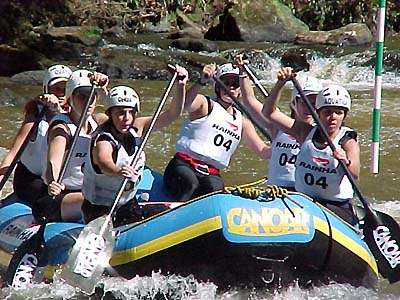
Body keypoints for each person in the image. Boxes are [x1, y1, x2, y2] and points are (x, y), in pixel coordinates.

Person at [81, 65, 188, 225]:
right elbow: (104, 162)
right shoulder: (103, 139)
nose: (127, 118)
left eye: (131, 112)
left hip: (127, 205)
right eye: (120, 113)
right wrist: (118, 171)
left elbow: (173, 114)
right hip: (100, 211)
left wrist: (181, 85)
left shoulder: (137, 128)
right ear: (110, 114)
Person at [262, 67, 359, 225]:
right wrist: (280, 83)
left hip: (336, 207)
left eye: (338, 113)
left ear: (344, 115)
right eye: (327, 112)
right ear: (318, 112)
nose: (332, 118)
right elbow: (269, 113)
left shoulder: (348, 141)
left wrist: (345, 162)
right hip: (304, 203)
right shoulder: (303, 131)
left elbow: (355, 173)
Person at [163, 63, 271, 201]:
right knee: (191, 185)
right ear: (217, 86)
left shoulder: (243, 122)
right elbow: (183, 105)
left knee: (215, 190)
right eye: (226, 83)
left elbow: (263, 151)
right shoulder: (205, 104)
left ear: (240, 89)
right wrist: (201, 81)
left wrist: (283, 143)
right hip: (183, 166)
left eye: (235, 84)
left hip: (211, 173)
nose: (230, 87)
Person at [32, 69, 109, 224]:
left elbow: (119, 116)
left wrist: (103, 89)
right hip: (54, 198)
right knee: (97, 199)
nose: (88, 101)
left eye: (91, 97)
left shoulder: (98, 122)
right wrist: (53, 181)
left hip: (85, 192)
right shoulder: (61, 128)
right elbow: (53, 161)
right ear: (70, 99)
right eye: (81, 96)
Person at [235, 55, 323, 189]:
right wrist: (242, 72)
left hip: (302, 193)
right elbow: (249, 101)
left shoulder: (322, 133)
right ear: (294, 103)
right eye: (304, 103)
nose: (309, 108)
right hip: (276, 190)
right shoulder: (278, 125)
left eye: (314, 103)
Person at [0, 64, 72, 203]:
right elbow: (15, 152)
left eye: (65, 89)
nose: (61, 93)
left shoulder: (76, 114)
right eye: (56, 89)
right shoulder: (35, 114)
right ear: (47, 90)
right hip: (31, 178)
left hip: (57, 179)